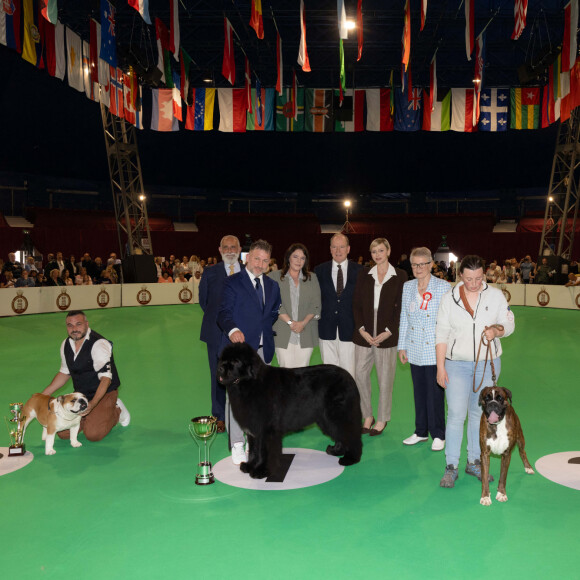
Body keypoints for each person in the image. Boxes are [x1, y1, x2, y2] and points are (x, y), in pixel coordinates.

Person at [436, 255, 515, 488]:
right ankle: (451, 466)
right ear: (460, 275)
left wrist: (497, 330)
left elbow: (509, 324)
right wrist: (441, 367)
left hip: (486, 363)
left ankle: (474, 462)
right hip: (455, 364)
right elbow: (441, 334)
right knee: (456, 415)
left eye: (479, 278)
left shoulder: (496, 295)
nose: (474, 283)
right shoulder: (449, 298)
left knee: (479, 415)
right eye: (469, 279)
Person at [217, 239, 281, 464]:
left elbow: (273, 313)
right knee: (236, 398)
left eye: (265, 261)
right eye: (256, 259)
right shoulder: (232, 283)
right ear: (247, 258)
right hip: (239, 353)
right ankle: (236, 443)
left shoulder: (273, 286)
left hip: (264, 352)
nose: (260, 264)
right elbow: (223, 313)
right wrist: (233, 329)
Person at [41, 310, 130, 442]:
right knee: (62, 432)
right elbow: (64, 373)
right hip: (81, 395)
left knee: (93, 434)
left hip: (104, 392)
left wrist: (93, 404)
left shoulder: (99, 344)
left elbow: (106, 379)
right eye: (70, 325)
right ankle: (88, 417)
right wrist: (42, 396)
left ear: (87, 324)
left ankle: (117, 409)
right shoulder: (65, 344)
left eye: (78, 324)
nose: (74, 329)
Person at [352, 238, 407, 436]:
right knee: (359, 374)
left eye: (381, 250)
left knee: (385, 380)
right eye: (374, 251)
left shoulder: (400, 275)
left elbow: (401, 308)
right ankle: (367, 415)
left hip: (388, 335)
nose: (377, 254)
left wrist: (388, 332)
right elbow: (356, 304)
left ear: (389, 251)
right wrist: (362, 330)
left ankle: (382, 418)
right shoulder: (364, 274)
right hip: (363, 335)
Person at [398, 247, 450, 451]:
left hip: (434, 348)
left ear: (431, 264)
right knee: (418, 392)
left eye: (422, 264)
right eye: (414, 264)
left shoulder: (443, 287)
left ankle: (438, 433)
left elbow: (447, 321)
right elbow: (404, 317)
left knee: (435, 393)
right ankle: (420, 431)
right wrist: (402, 346)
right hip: (414, 347)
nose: (418, 268)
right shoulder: (407, 287)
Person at [199, 235, 243, 433]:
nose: (230, 250)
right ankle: (218, 416)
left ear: (240, 248)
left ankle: (243, 414)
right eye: (226, 247)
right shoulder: (210, 273)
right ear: (219, 249)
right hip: (215, 333)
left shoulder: (248, 270)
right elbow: (204, 302)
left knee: (243, 375)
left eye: (233, 247)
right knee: (217, 375)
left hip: (242, 333)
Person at [314, 233, 363, 378]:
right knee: (328, 374)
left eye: (341, 247)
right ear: (330, 249)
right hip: (326, 329)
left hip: (350, 330)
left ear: (348, 249)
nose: (338, 250)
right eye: (334, 247)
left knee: (349, 373)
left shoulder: (360, 271)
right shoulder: (319, 271)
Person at [269, 243, 321, 368]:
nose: (299, 261)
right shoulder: (274, 277)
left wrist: (302, 323)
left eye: (302, 258)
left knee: (303, 375)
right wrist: (291, 323)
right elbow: (274, 303)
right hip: (283, 333)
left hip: (306, 333)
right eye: (295, 256)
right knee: (286, 374)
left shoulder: (312, 278)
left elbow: (316, 304)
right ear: (288, 258)